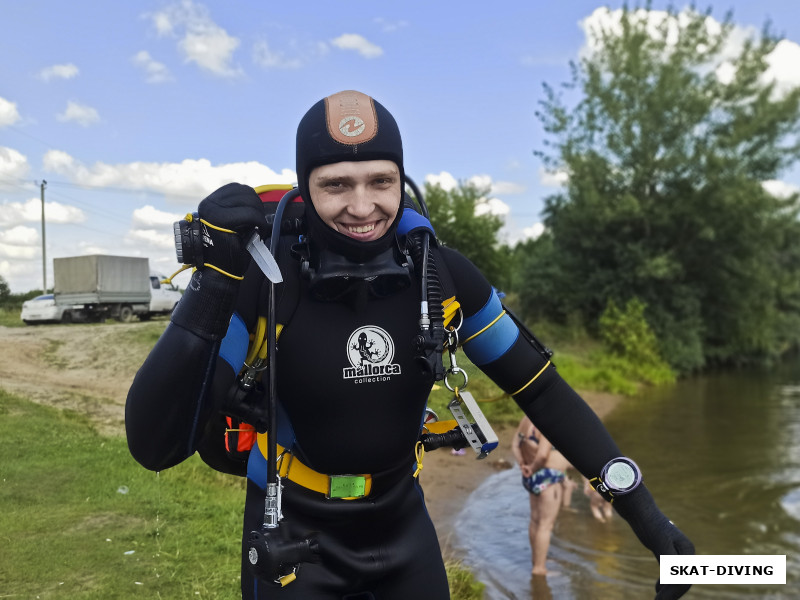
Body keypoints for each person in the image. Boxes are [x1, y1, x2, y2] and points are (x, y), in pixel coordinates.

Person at [125, 89, 694, 599]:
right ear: (306, 185)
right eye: (335, 185)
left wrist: (649, 519)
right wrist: (213, 284)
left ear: (402, 179)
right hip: (292, 530)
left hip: (402, 526)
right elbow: (155, 445)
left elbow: (542, 392)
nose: (362, 206)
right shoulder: (264, 285)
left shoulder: (439, 276)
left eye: (381, 181)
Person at [512, 415, 572, 575]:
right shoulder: (545, 421)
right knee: (545, 525)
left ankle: (537, 560)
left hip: (532, 477)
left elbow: (515, 446)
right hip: (548, 478)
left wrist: (523, 464)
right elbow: (543, 455)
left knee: (535, 521)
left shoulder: (525, 420)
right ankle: (539, 568)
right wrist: (532, 467)